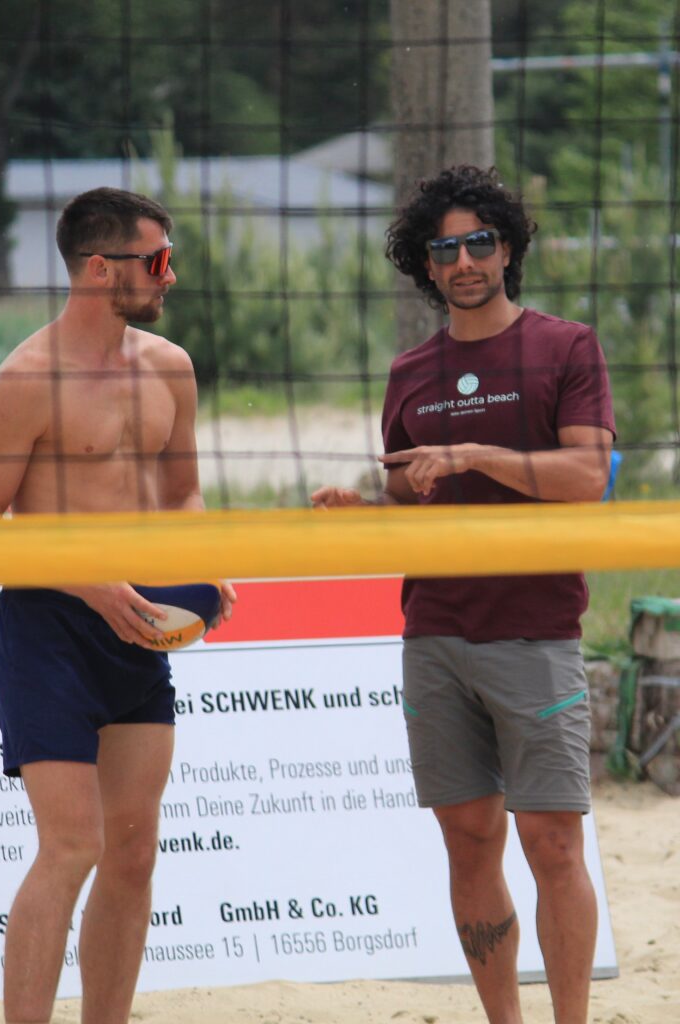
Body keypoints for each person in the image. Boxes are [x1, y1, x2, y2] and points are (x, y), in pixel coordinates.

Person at [312, 165, 615, 1024]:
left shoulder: (567, 346)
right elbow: (416, 492)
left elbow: (587, 476)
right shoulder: (411, 369)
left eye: (479, 241)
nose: (464, 259)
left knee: (552, 843)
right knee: (469, 843)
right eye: (444, 248)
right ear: (427, 265)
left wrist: (479, 453)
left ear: (508, 247)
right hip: (436, 631)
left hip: (536, 629)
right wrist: (366, 508)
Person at [0, 186, 235, 1024]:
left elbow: (183, 492)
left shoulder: (170, 367)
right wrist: (87, 581)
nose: (171, 274)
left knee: (133, 854)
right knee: (71, 845)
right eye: (156, 259)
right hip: (48, 628)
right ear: (97, 268)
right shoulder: (25, 380)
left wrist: (206, 560)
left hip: (140, 624)